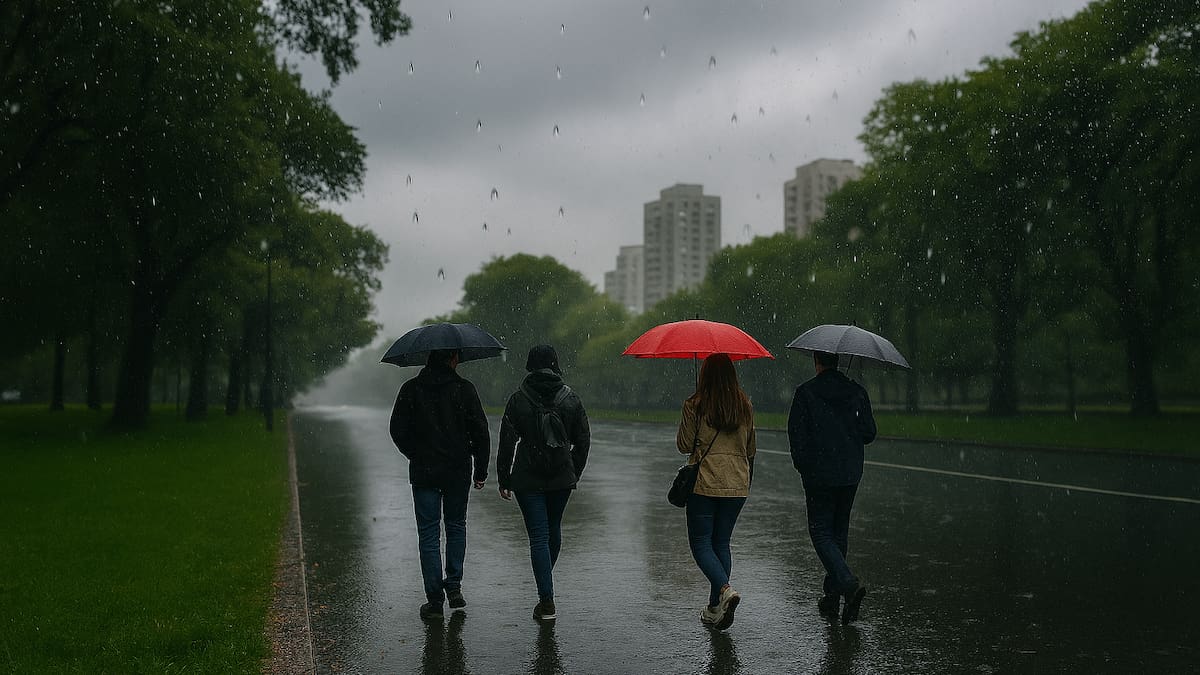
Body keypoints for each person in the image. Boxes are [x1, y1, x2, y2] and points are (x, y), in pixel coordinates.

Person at [390, 348, 490, 620]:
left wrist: (416, 452)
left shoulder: (411, 389)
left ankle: (434, 600)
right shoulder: (465, 389)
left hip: (424, 472)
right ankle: (454, 585)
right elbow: (481, 431)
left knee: (429, 534)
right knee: (456, 526)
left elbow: (396, 429)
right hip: (457, 470)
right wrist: (480, 469)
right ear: (453, 359)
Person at [497, 344, 591, 622]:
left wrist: (504, 477)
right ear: (555, 363)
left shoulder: (518, 399)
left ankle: (546, 599)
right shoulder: (571, 399)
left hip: (527, 478)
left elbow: (506, 441)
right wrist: (573, 470)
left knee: (538, 537)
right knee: (553, 530)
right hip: (561, 478)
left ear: (530, 365)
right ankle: (545, 587)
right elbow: (583, 440)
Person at [787, 350, 877, 625]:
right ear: (837, 362)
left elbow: (796, 435)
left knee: (821, 532)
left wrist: (804, 466)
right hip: (849, 473)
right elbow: (869, 433)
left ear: (816, 362)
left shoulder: (806, 393)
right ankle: (832, 597)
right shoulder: (856, 392)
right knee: (839, 532)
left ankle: (848, 584)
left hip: (819, 474)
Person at [676, 353, 756, 631]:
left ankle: (724, 590)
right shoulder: (744, 404)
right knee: (721, 543)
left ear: (704, 375)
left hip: (705, 482)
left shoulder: (696, 404)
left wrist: (690, 410)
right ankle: (714, 608)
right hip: (737, 483)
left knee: (700, 543)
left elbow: (685, 445)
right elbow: (750, 449)